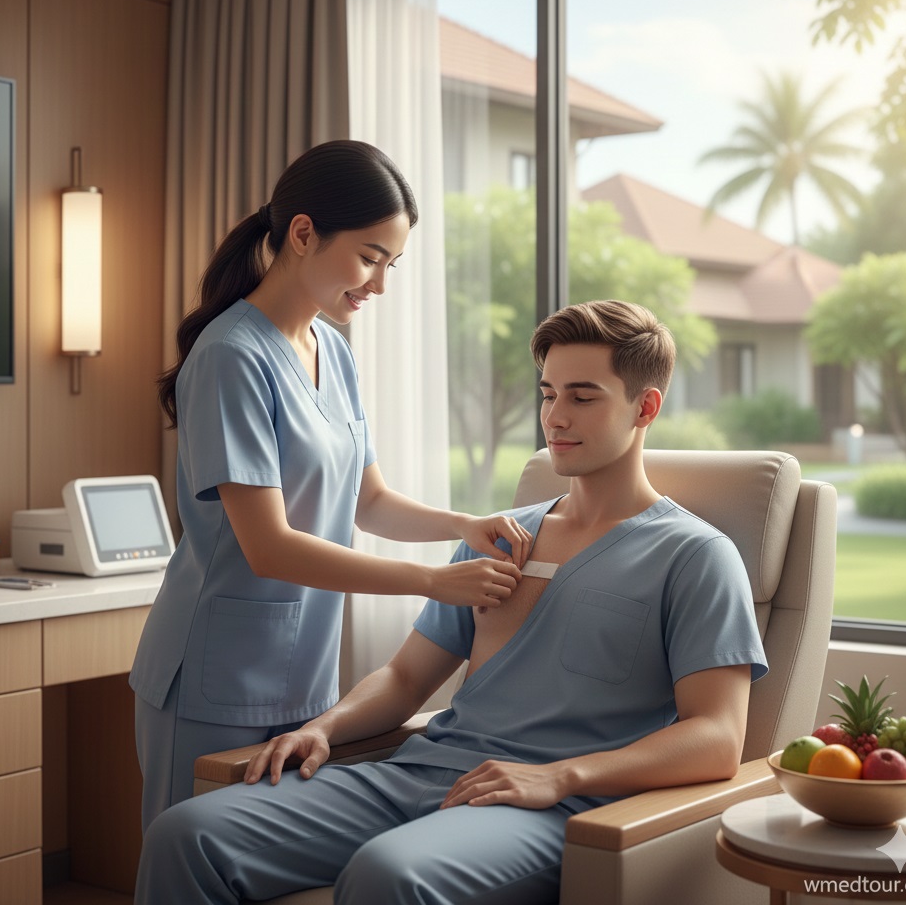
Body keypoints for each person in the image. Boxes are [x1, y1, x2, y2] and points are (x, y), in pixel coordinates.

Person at [135, 299, 768, 905]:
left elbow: (716, 736)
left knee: (390, 876)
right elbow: (407, 677)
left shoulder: (695, 557)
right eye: (548, 394)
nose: (555, 417)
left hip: (548, 805)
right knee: (185, 836)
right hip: (419, 773)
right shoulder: (499, 537)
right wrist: (320, 728)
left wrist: (562, 777)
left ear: (645, 407)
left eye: (583, 396)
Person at [130, 140, 532, 830]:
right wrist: (432, 582)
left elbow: (367, 500)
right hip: (212, 678)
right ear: (303, 233)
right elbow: (271, 549)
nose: (378, 284)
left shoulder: (331, 349)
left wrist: (461, 526)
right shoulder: (231, 357)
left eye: (390, 265)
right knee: (188, 861)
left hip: (303, 678)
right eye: (370, 257)